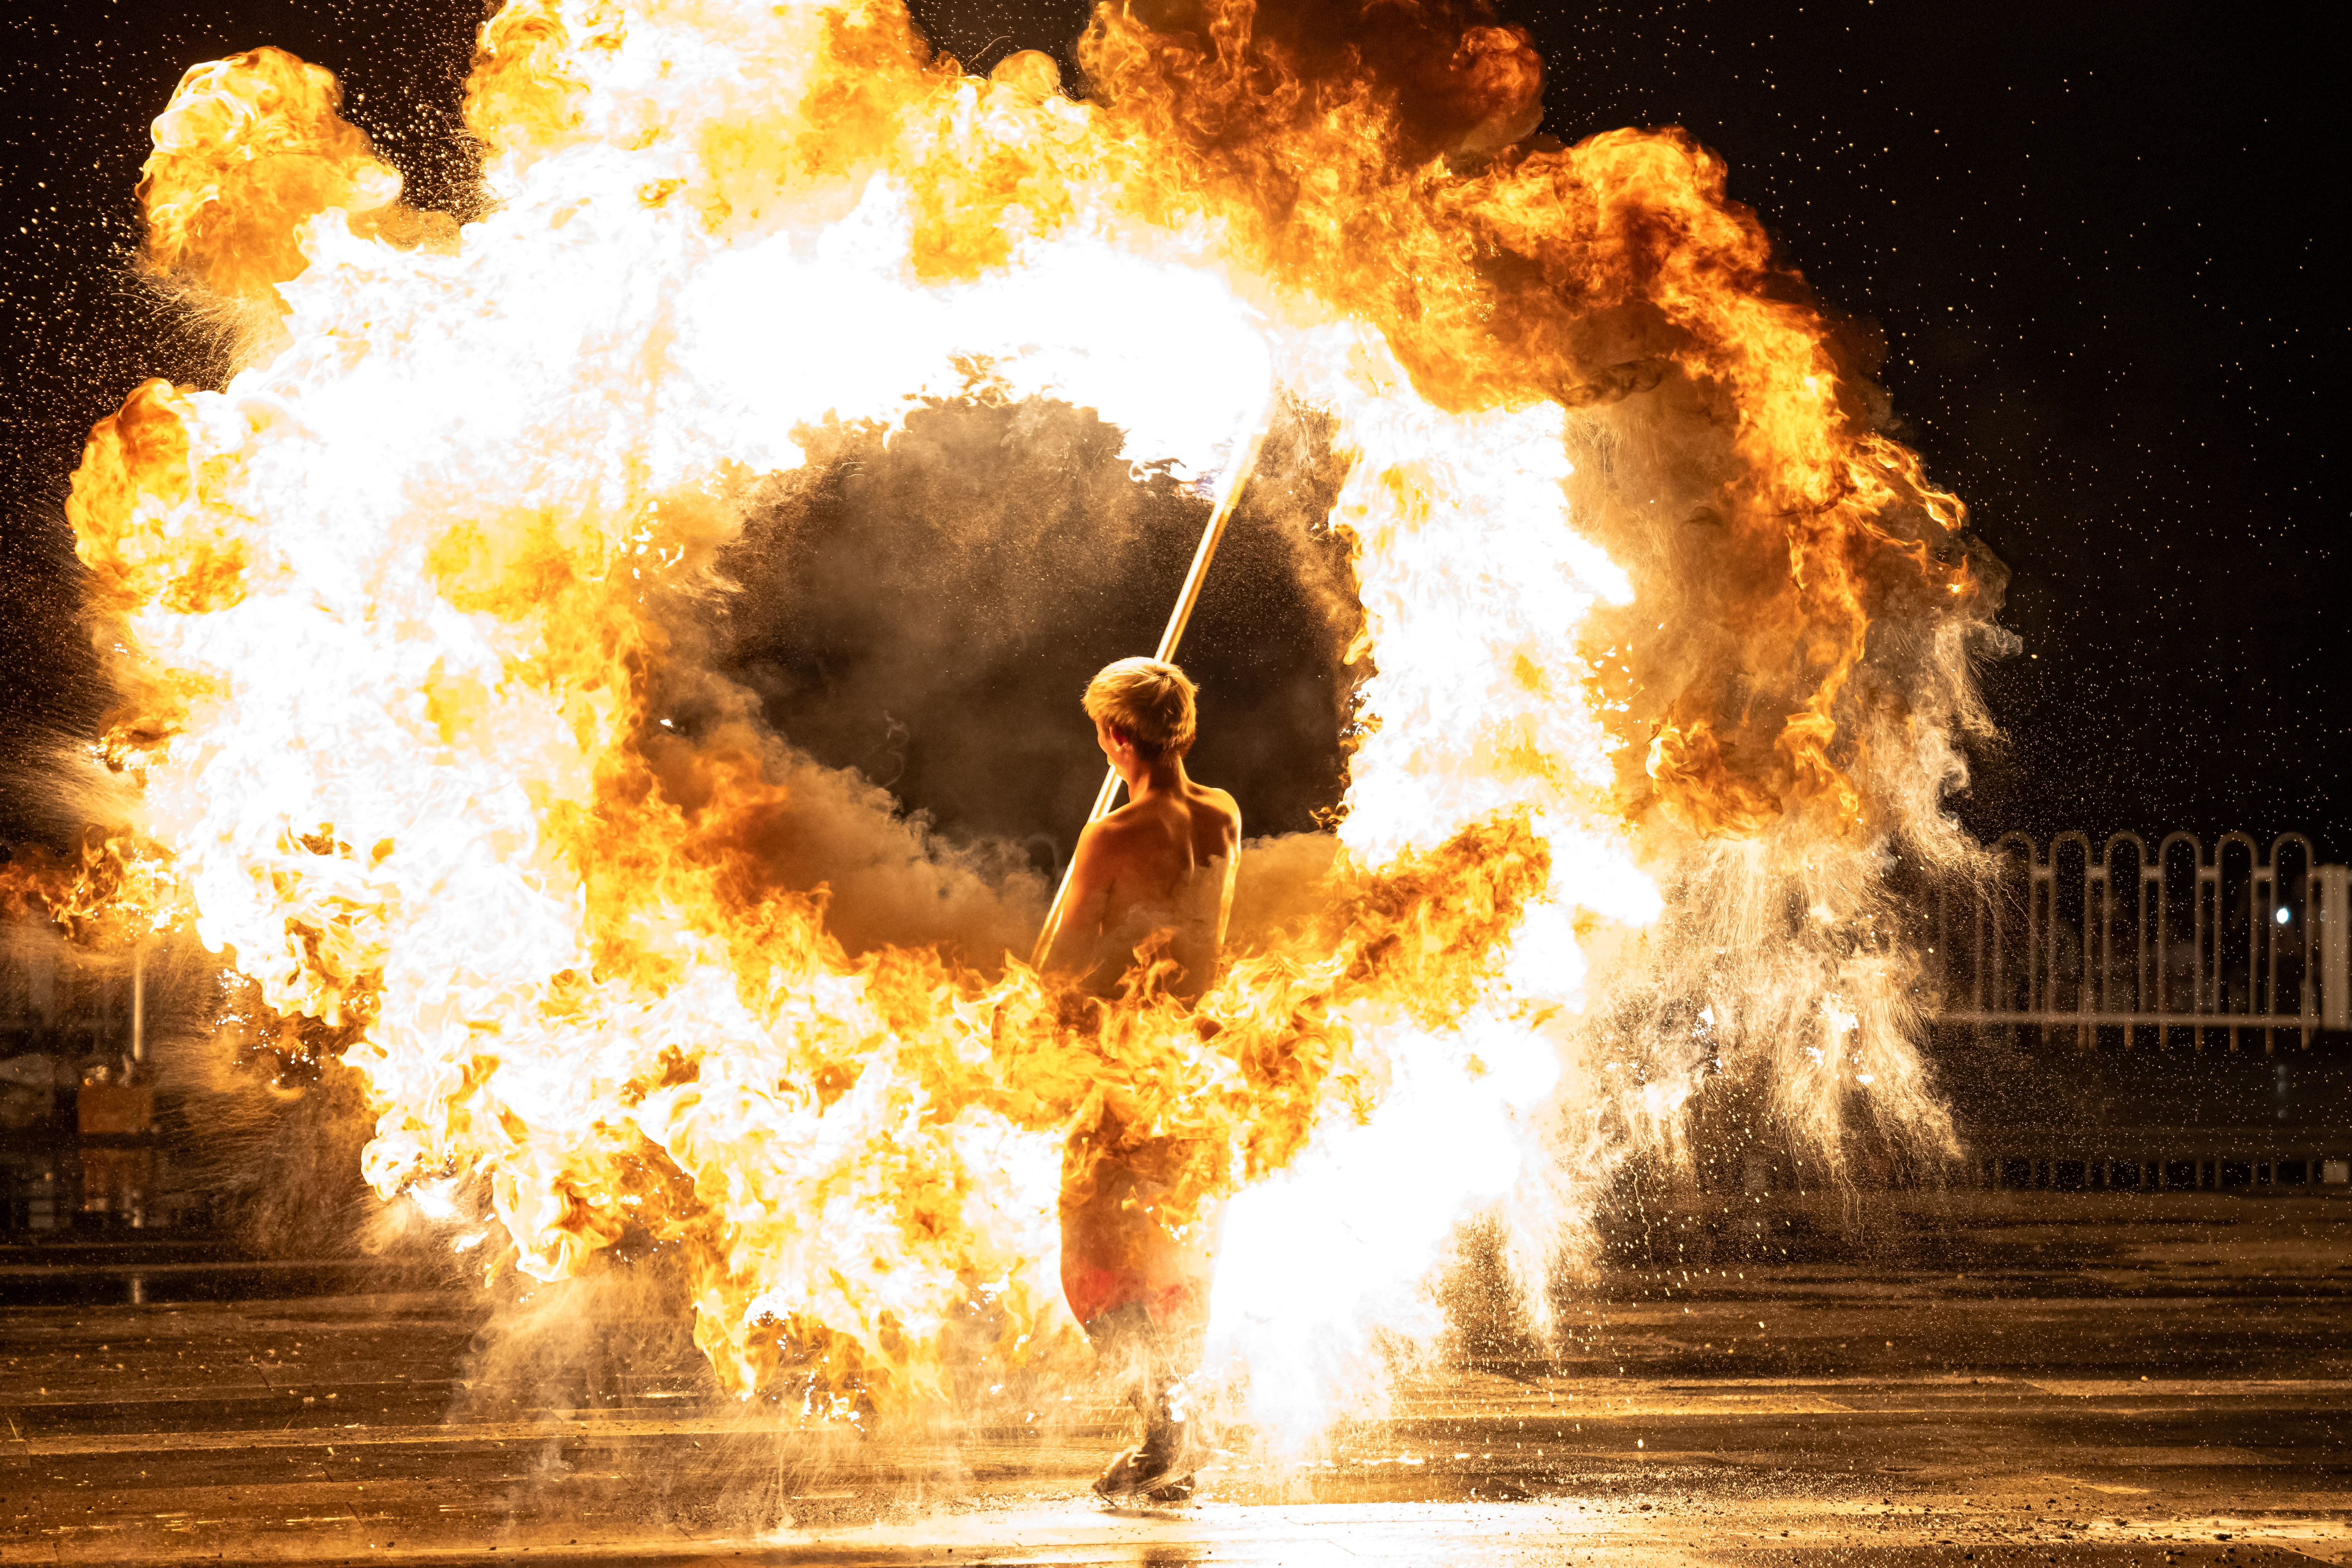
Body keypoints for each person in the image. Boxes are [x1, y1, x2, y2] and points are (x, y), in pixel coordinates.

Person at [1039, 657, 1240, 1502]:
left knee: (1095, 1260)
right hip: (1203, 1062)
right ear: (1182, 729)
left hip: (1130, 1067)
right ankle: (1173, 1429)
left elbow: (1058, 963)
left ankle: (1164, 1433)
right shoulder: (1224, 814)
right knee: (1178, 1255)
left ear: (1114, 735)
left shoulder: (1109, 837)